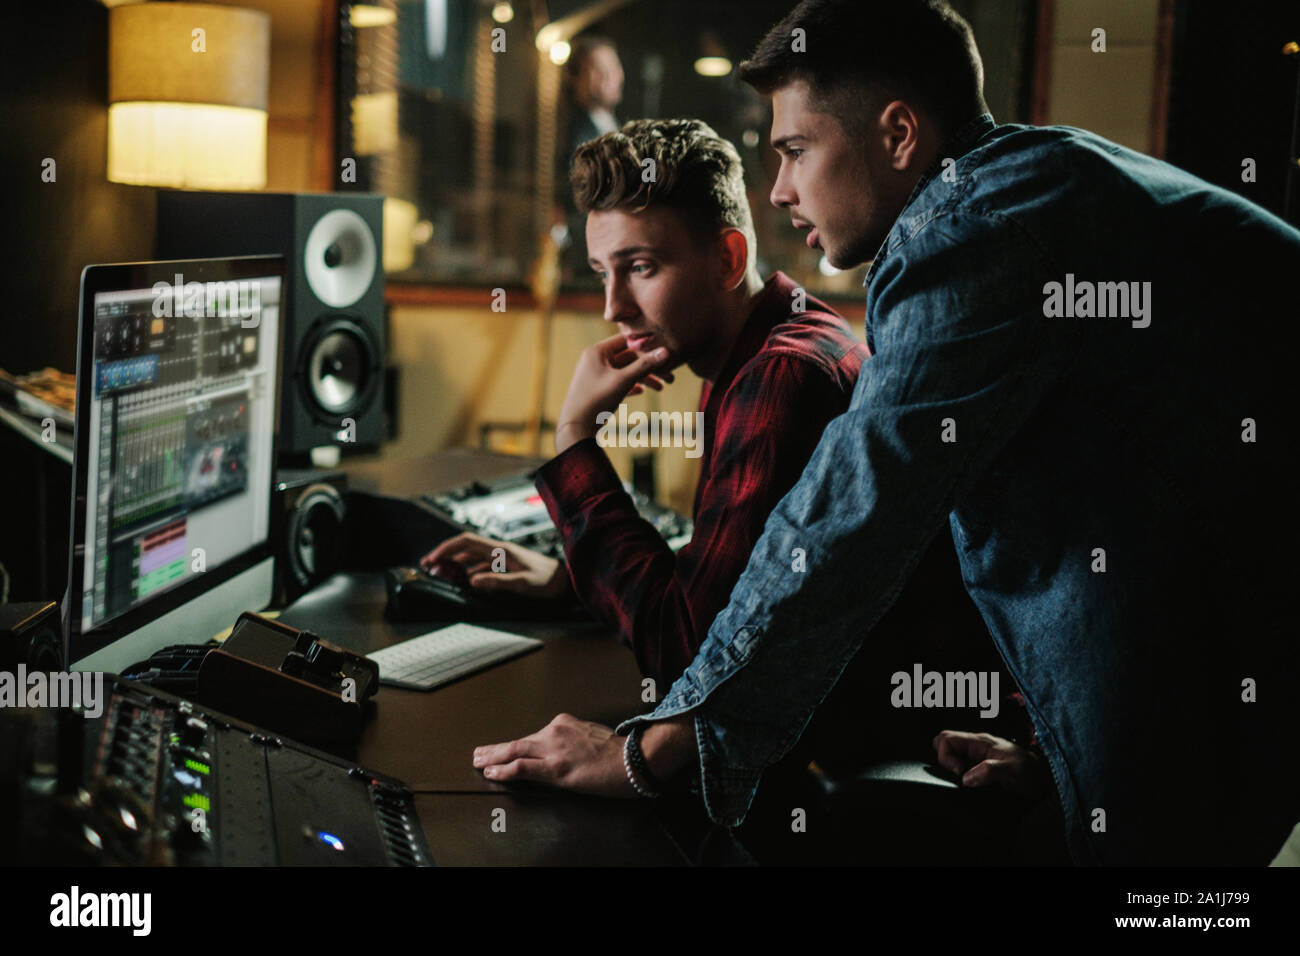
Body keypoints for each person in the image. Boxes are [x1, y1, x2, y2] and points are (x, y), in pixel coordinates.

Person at [472, 0, 1300, 866]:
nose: (781, 188)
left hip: (1232, 684)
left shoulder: (972, 228)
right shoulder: (1029, 187)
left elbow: (847, 520)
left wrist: (653, 753)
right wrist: (1060, 755)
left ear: (898, 133)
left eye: (795, 150)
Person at [424, 117, 870, 690]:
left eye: (640, 268)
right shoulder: (775, 336)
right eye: (601, 273)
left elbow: (688, 652)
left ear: (729, 260)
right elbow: (721, 582)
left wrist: (575, 436)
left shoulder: (780, 375)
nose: (614, 307)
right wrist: (571, 579)